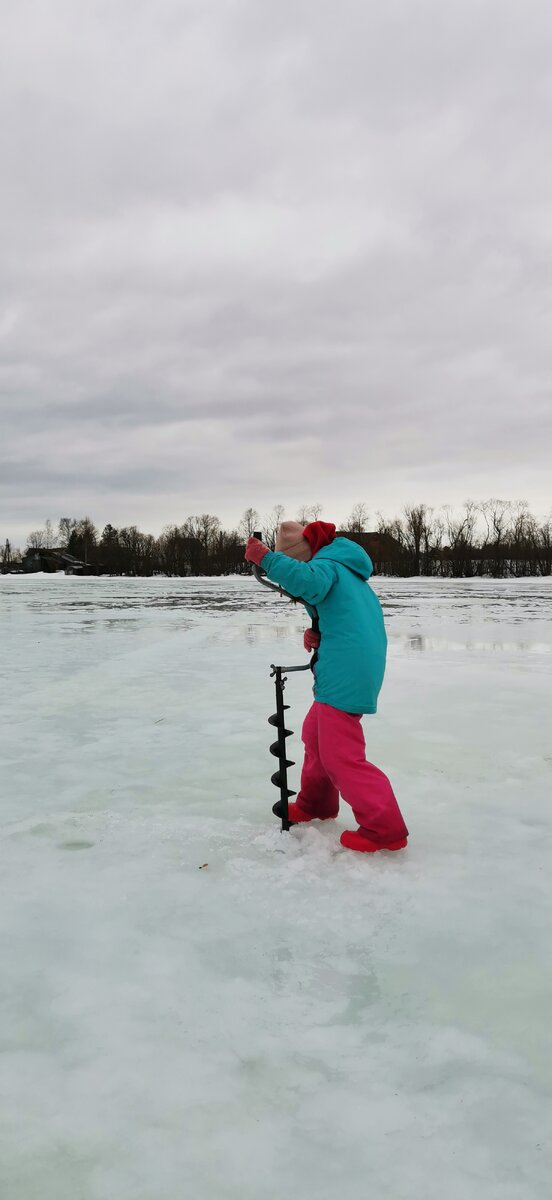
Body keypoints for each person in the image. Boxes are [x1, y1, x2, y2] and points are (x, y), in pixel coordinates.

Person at [245, 520, 408, 853]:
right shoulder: (343, 569)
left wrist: (267, 559)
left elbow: (310, 583)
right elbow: (340, 613)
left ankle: (384, 827)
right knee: (315, 737)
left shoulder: (327, 566)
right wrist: (318, 631)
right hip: (348, 663)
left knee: (340, 755)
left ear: (301, 558)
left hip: (347, 669)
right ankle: (316, 804)